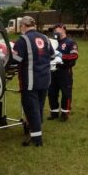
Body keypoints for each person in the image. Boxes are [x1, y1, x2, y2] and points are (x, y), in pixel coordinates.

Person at [12, 16, 55, 146]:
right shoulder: (45, 38)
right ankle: (36, 130)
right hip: (45, 79)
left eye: (20, 26)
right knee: (39, 107)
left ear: (24, 25)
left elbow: (16, 59)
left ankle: (37, 139)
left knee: (31, 108)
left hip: (30, 81)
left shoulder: (23, 39)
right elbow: (52, 55)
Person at [47, 23, 78, 121]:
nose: (54, 32)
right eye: (53, 30)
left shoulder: (70, 42)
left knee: (66, 93)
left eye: (56, 29)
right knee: (52, 93)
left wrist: (61, 56)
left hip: (65, 71)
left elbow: (74, 56)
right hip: (52, 71)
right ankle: (54, 112)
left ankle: (65, 113)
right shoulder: (52, 42)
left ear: (63, 29)